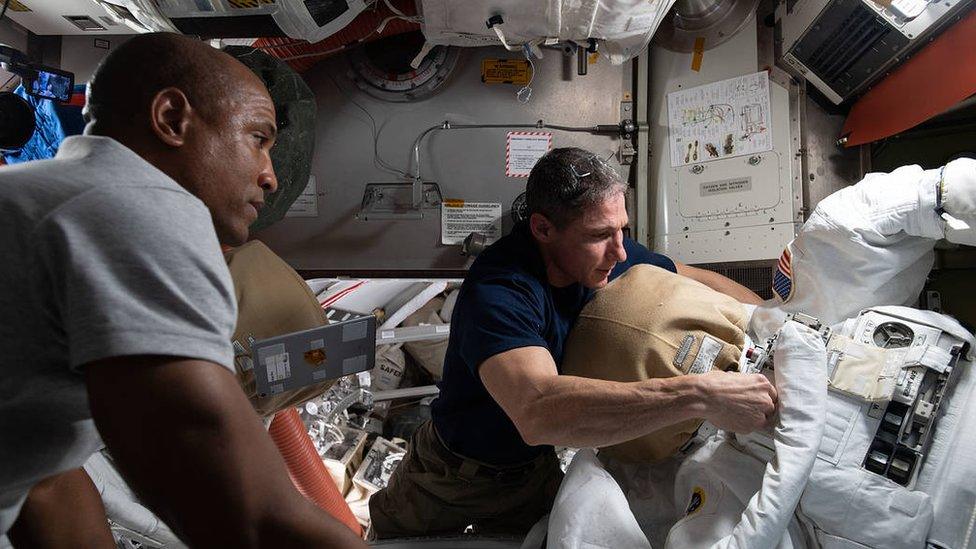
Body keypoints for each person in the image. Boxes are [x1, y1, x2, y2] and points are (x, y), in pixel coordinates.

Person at [0, 33, 364, 548]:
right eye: (259, 139)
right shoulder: (135, 209)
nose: (271, 177)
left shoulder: (49, 195)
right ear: (172, 118)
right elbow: (245, 512)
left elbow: (45, 480)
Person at [370, 147, 778, 538]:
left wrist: (775, 323)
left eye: (623, 230)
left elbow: (689, 275)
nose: (619, 252)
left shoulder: (606, 252)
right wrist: (698, 394)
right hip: (450, 476)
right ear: (543, 229)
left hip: (533, 472)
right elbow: (538, 410)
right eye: (600, 235)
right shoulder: (499, 291)